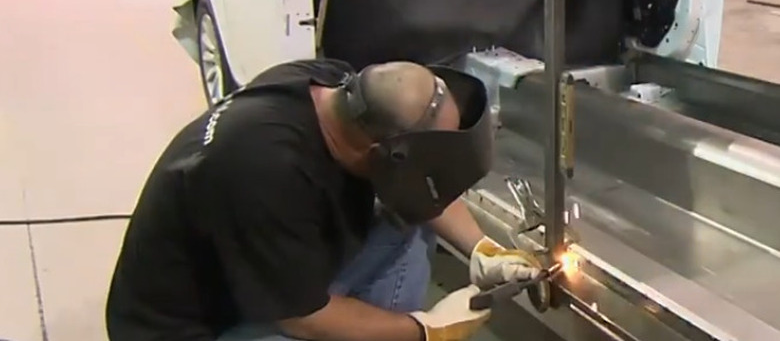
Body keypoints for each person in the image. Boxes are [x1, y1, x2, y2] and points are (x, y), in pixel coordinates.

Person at [105, 58, 544, 341]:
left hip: (262, 272)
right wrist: (426, 329)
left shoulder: (336, 86)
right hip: (190, 329)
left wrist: (483, 249)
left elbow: (424, 189)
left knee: (407, 225)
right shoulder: (267, 171)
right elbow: (303, 316)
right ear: (382, 152)